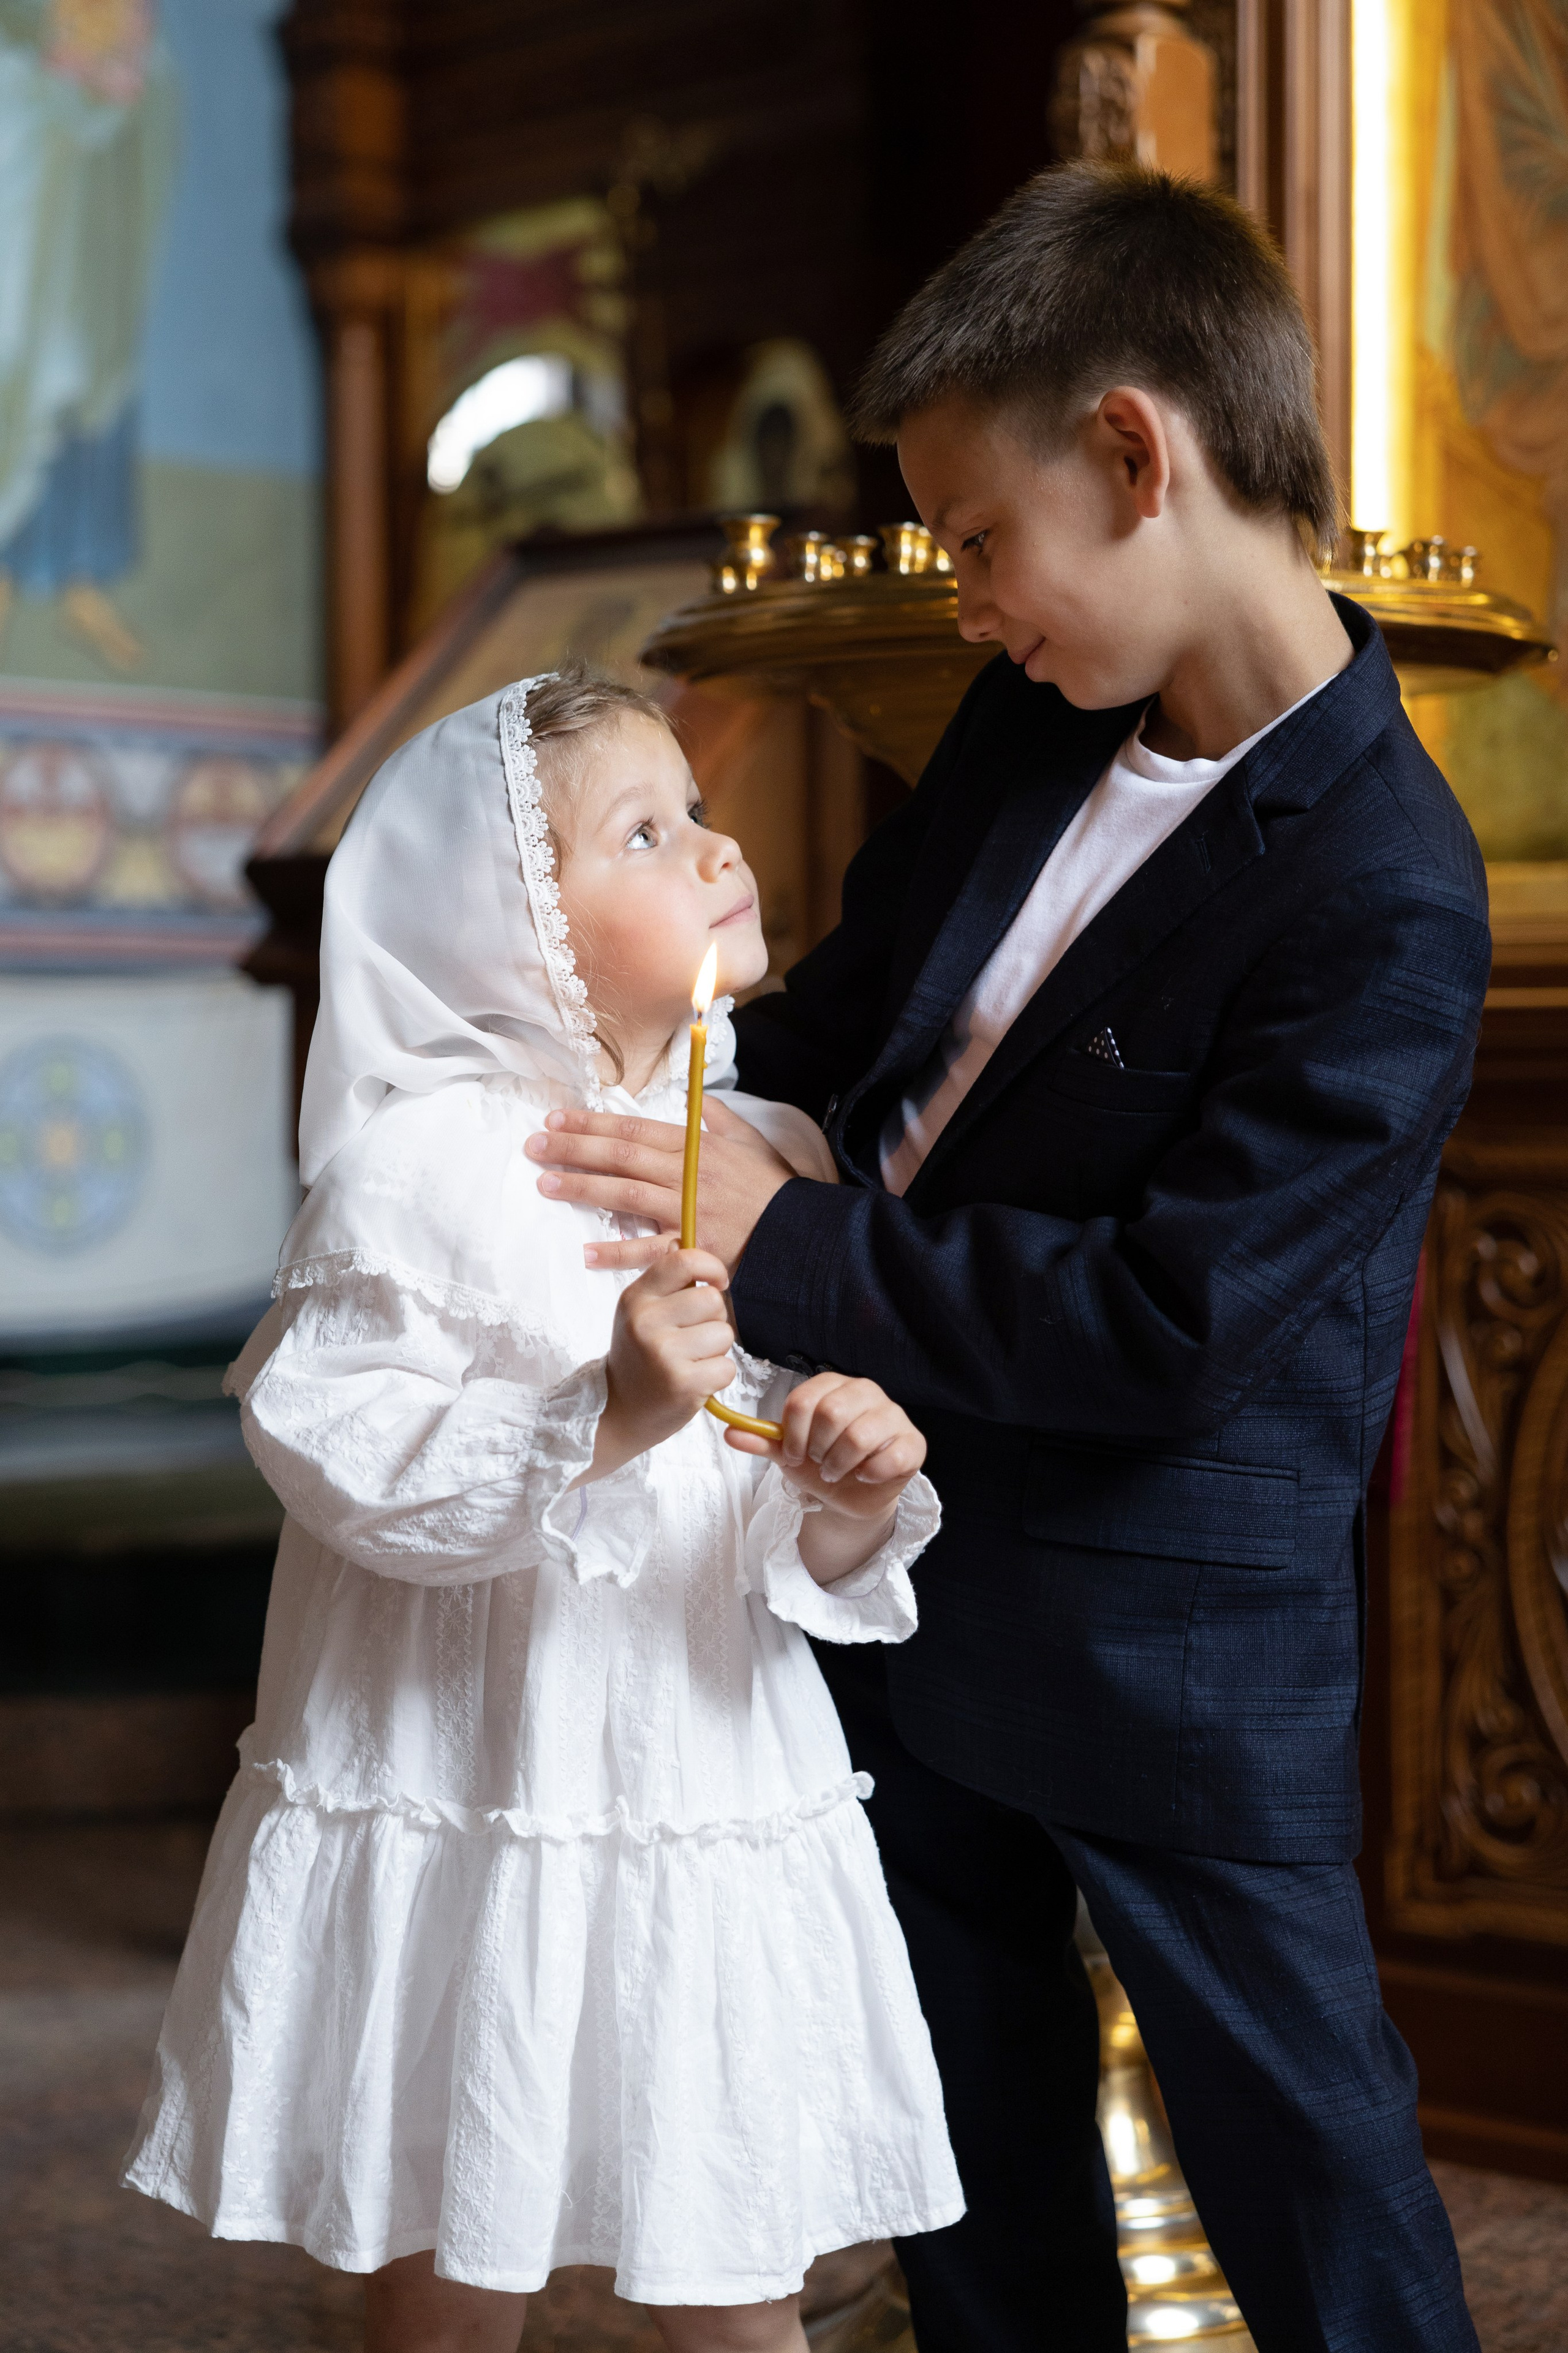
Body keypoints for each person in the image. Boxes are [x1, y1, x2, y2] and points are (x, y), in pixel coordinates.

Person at [523, 168, 1490, 2351]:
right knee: (958, 2159)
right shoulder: (1042, 714)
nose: (961, 597)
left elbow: (1172, 1324)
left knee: (1312, 2188)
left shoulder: (1388, 887)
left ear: (1139, 455)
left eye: (975, 534)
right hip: (895, 1536)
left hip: (1172, 1639)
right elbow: (863, 1010)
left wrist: (780, 1248)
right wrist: (627, 1083)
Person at [124, 666, 963, 2353]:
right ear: (513, 924)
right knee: (450, 2241)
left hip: (692, 1775)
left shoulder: (762, 1153)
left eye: (698, 814)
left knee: (736, 2252)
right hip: (476, 1772)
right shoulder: (421, 1168)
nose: (713, 848)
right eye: (646, 831)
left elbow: (759, 1523)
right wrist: (604, 1412)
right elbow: (342, 1454)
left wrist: (851, 1486)